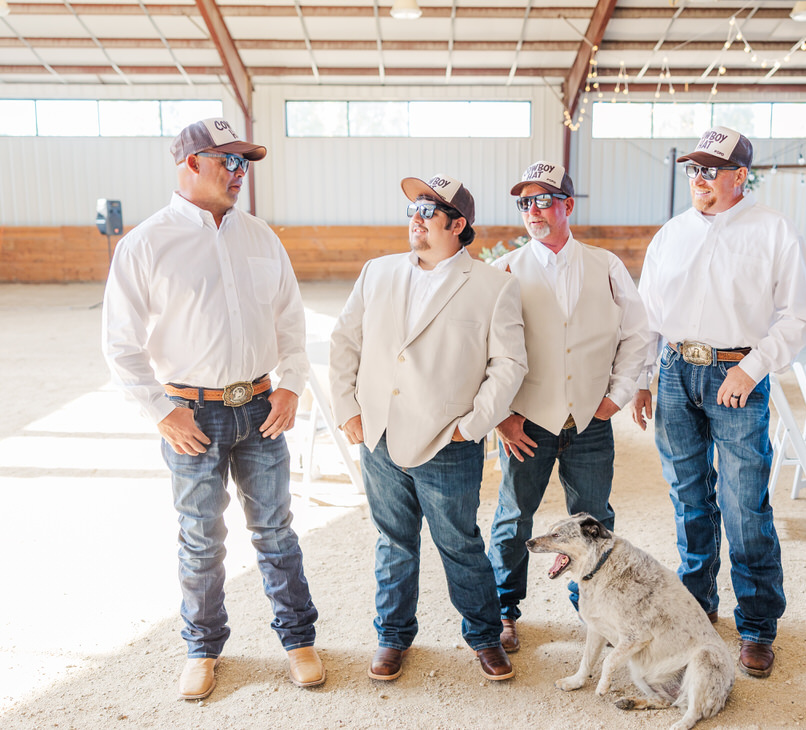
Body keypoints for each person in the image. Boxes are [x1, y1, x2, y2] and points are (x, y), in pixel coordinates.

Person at [102, 118, 324, 700]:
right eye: (227, 161)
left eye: (244, 163)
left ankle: (299, 639)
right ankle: (202, 649)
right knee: (201, 535)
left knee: (275, 530)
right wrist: (160, 410)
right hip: (191, 417)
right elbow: (119, 344)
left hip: (260, 406)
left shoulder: (260, 237)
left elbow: (291, 321)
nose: (238, 173)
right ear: (189, 163)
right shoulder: (146, 244)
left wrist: (291, 384)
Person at [630, 126, 806, 679]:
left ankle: (758, 624)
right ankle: (697, 607)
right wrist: (644, 378)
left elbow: (804, 315)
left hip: (738, 371)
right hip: (673, 372)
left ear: (741, 175)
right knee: (689, 497)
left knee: (744, 504)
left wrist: (752, 366)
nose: (701, 180)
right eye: (694, 170)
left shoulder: (773, 232)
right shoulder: (671, 233)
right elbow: (647, 315)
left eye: (712, 171)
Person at [329, 174, 527, 682]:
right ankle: (392, 637)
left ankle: (484, 636)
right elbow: (345, 341)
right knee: (393, 541)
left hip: (448, 441)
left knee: (459, 543)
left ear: (458, 224)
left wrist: (472, 427)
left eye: (427, 211)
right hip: (379, 435)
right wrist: (349, 409)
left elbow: (509, 365)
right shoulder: (377, 272)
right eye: (412, 209)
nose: (414, 219)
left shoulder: (493, 285)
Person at [486, 161, 651, 653]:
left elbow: (637, 334)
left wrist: (616, 396)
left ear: (567, 206)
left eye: (543, 200)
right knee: (514, 517)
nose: (533, 210)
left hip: (590, 422)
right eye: (525, 202)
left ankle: (598, 612)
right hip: (526, 423)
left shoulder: (605, 265)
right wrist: (501, 414)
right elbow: (484, 348)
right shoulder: (505, 270)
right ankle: (503, 611)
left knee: (595, 519)